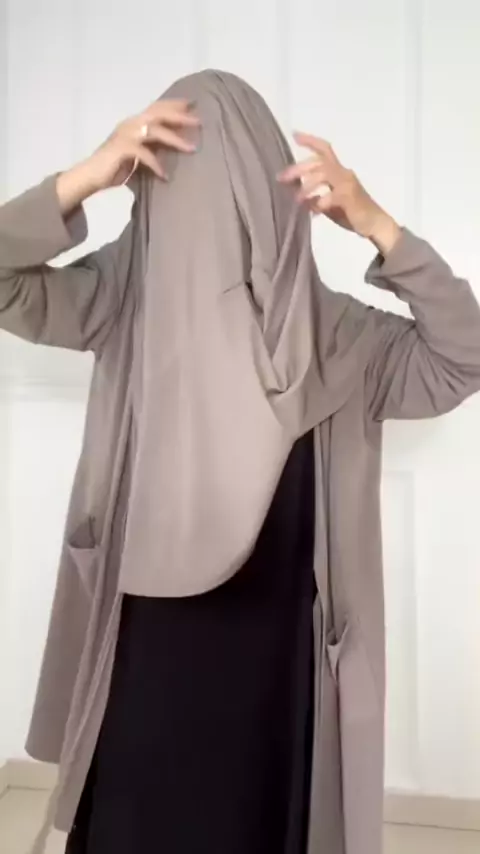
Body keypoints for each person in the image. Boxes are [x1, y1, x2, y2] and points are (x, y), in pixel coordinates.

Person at [1, 70, 480, 854]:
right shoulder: (125, 300)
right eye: (177, 187)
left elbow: (464, 357)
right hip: (142, 651)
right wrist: (84, 177)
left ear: (273, 197)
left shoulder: (337, 339)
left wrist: (380, 227)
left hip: (275, 668)